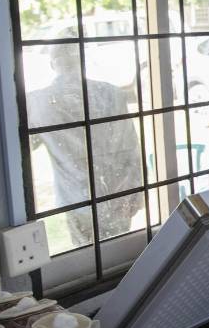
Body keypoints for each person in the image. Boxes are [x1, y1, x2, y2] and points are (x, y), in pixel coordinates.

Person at [26, 45, 142, 245]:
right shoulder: (112, 93)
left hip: (77, 198)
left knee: (86, 256)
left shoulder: (37, 102)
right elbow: (131, 146)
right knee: (123, 254)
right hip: (118, 191)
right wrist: (136, 187)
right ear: (82, 60)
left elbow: (27, 146)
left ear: (53, 64)